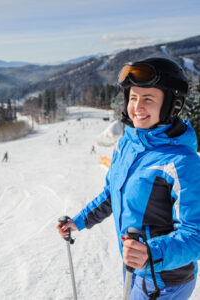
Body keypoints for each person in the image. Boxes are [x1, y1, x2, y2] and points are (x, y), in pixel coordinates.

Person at [57, 57, 200, 299]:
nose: (137, 107)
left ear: (171, 106)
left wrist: (150, 255)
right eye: (133, 98)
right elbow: (112, 193)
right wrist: (79, 221)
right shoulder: (127, 144)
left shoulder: (181, 163)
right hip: (136, 269)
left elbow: (195, 234)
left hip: (165, 281)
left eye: (148, 99)